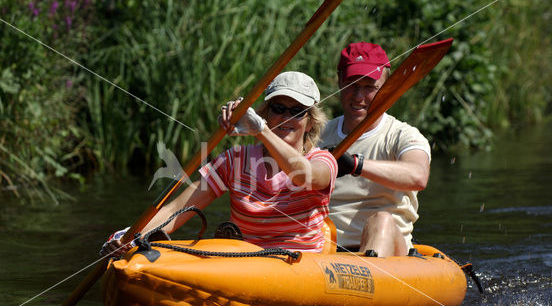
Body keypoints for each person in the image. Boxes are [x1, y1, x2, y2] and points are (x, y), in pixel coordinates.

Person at [102, 71, 338, 256]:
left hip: (300, 264)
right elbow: (175, 210)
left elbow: (303, 176)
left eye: (298, 111)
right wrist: (127, 236)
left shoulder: (323, 160)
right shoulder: (234, 160)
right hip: (244, 261)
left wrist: (261, 131)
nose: (287, 118)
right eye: (278, 109)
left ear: (310, 123)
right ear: (266, 113)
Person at [319, 42, 431, 257]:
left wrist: (356, 165)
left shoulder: (403, 136)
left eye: (369, 87)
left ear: (386, 88)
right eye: (352, 84)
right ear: (340, 82)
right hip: (326, 250)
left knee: (382, 220)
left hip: (386, 249)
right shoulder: (318, 134)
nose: (359, 96)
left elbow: (418, 176)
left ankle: (367, 279)